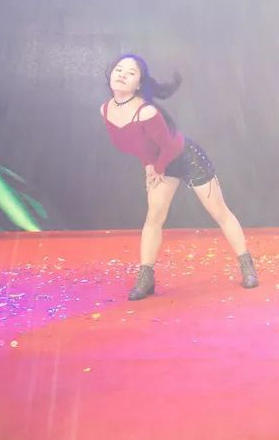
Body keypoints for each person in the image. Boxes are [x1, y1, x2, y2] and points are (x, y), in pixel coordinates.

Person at [101, 54, 258, 300]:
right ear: (110, 73)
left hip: (185, 157)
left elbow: (171, 146)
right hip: (160, 162)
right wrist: (148, 165)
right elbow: (136, 144)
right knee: (154, 217)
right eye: (119, 69)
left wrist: (157, 168)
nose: (122, 75)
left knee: (219, 211)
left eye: (130, 73)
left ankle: (246, 264)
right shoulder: (106, 110)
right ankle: (146, 277)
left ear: (139, 84)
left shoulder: (146, 111)